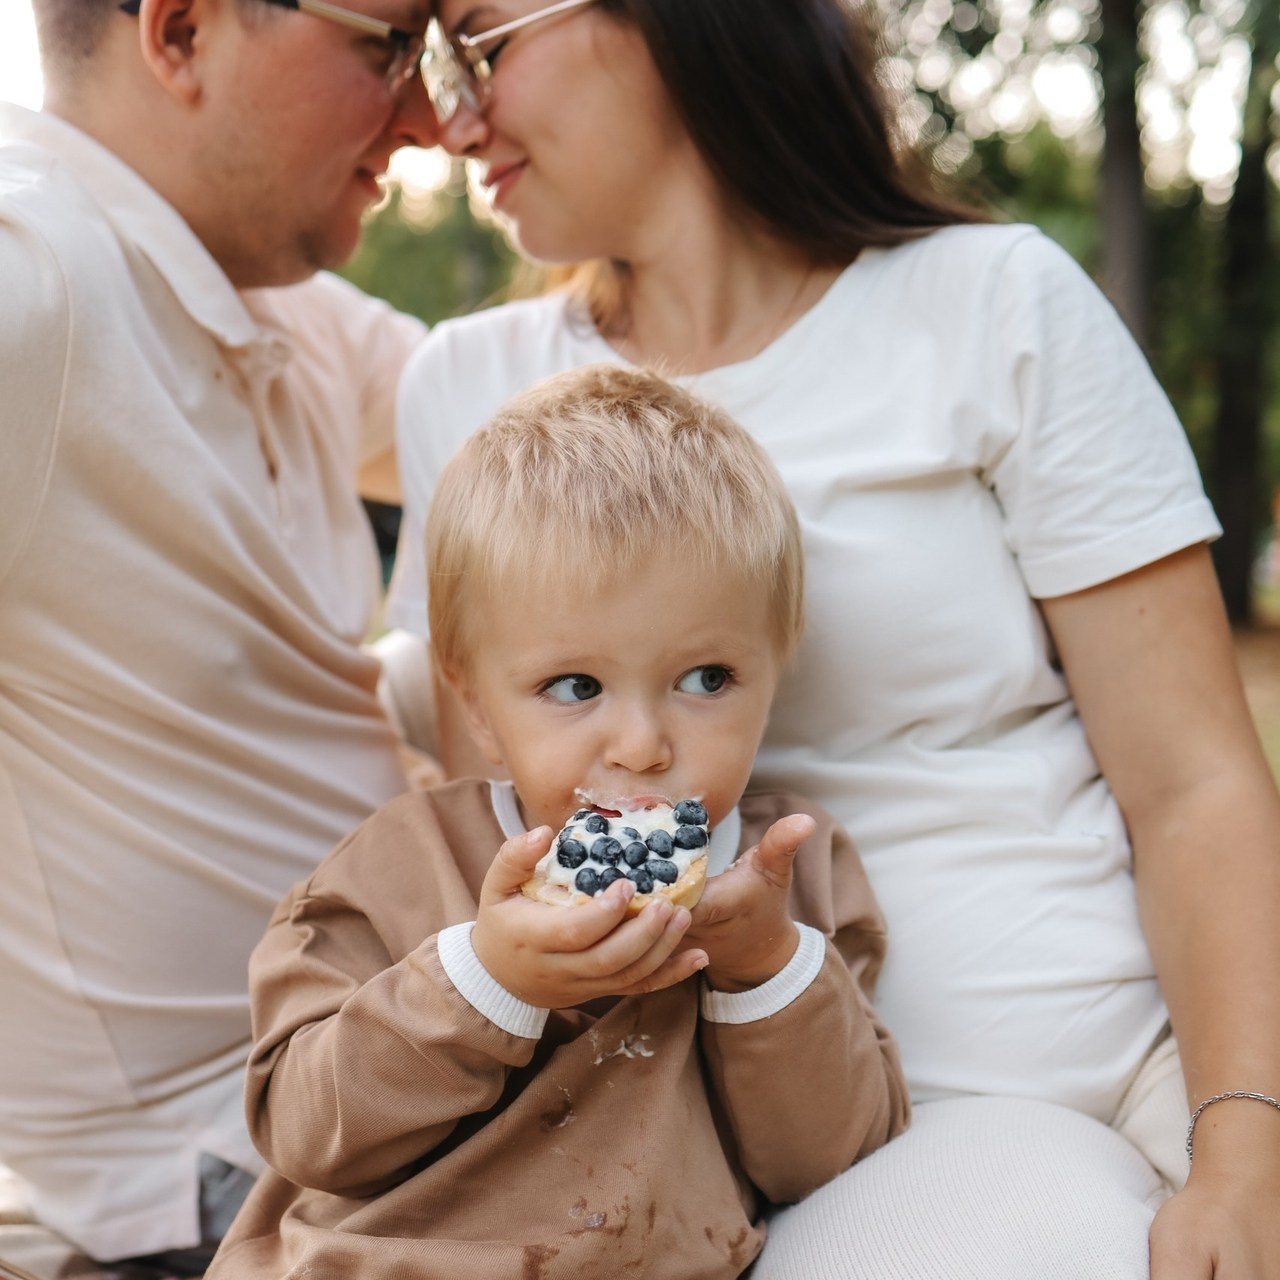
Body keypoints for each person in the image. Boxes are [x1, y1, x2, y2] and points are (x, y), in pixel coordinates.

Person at [384, 2, 1280, 1276]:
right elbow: (481, 812)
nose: (447, 117)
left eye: (479, 46)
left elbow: (1194, 784)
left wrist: (1244, 1151)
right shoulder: (468, 392)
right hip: (742, 1145)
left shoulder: (992, 303)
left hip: (1086, 1072)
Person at [204, 364, 909, 1279]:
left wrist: (764, 972)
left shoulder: (795, 881)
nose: (645, 746)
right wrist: (484, 979)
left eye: (707, 680)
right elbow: (303, 1130)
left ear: (777, 669)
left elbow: (833, 1160)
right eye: (575, 688)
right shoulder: (399, 866)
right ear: (479, 707)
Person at [0, 0, 439, 1270]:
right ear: (182, 32)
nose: (429, 120)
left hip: (400, 1076)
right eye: (387, 47)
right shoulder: (38, 275)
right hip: (238, 1183)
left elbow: (564, 446)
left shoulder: (280, 308)